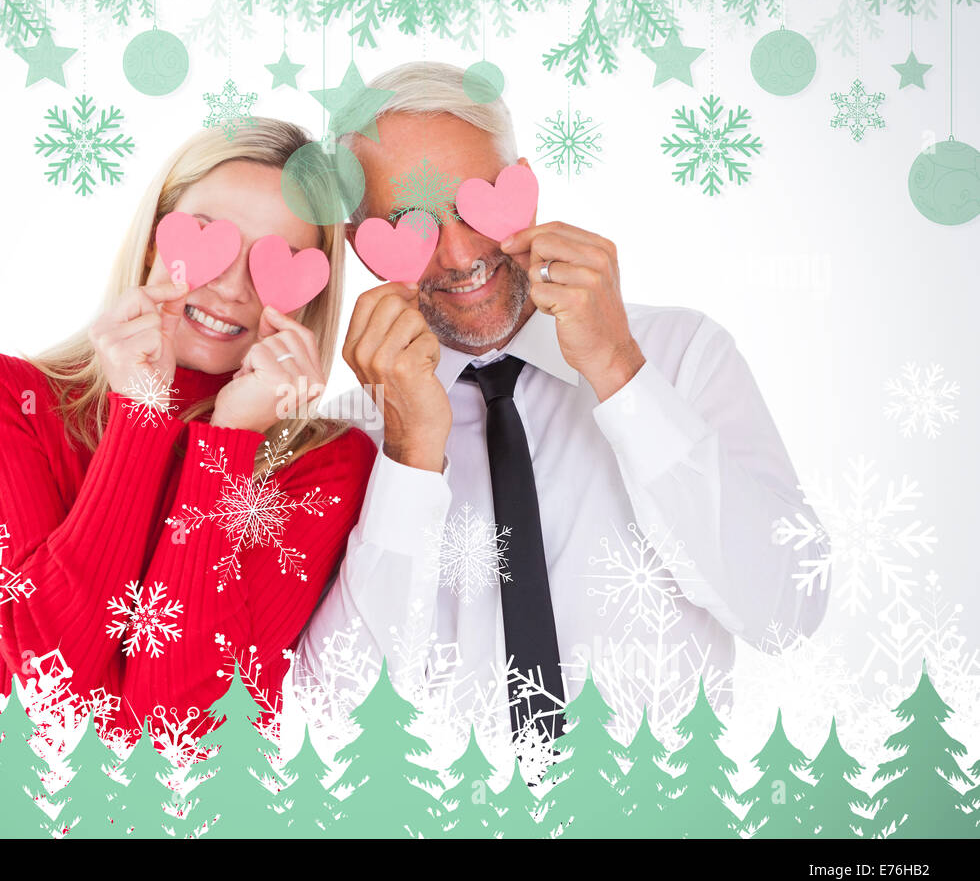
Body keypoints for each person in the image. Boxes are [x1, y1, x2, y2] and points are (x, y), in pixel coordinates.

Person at [297, 62, 830, 759]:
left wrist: (620, 372)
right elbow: (324, 727)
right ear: (362, 243)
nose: (459, 257)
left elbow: (788, 610)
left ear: (525, 182)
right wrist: (409, 454)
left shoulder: (681, 355)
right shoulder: (344, 441)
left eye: (476, 200)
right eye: (408, 224)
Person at [0, 119, 376, 744]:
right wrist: (141, 411)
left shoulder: (326, 467)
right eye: (209, 241)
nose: (230, 287)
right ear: (151, 242)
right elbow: (46, 686)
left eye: (273, 261)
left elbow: (176, 735)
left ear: (306, 296)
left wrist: (228, 442)